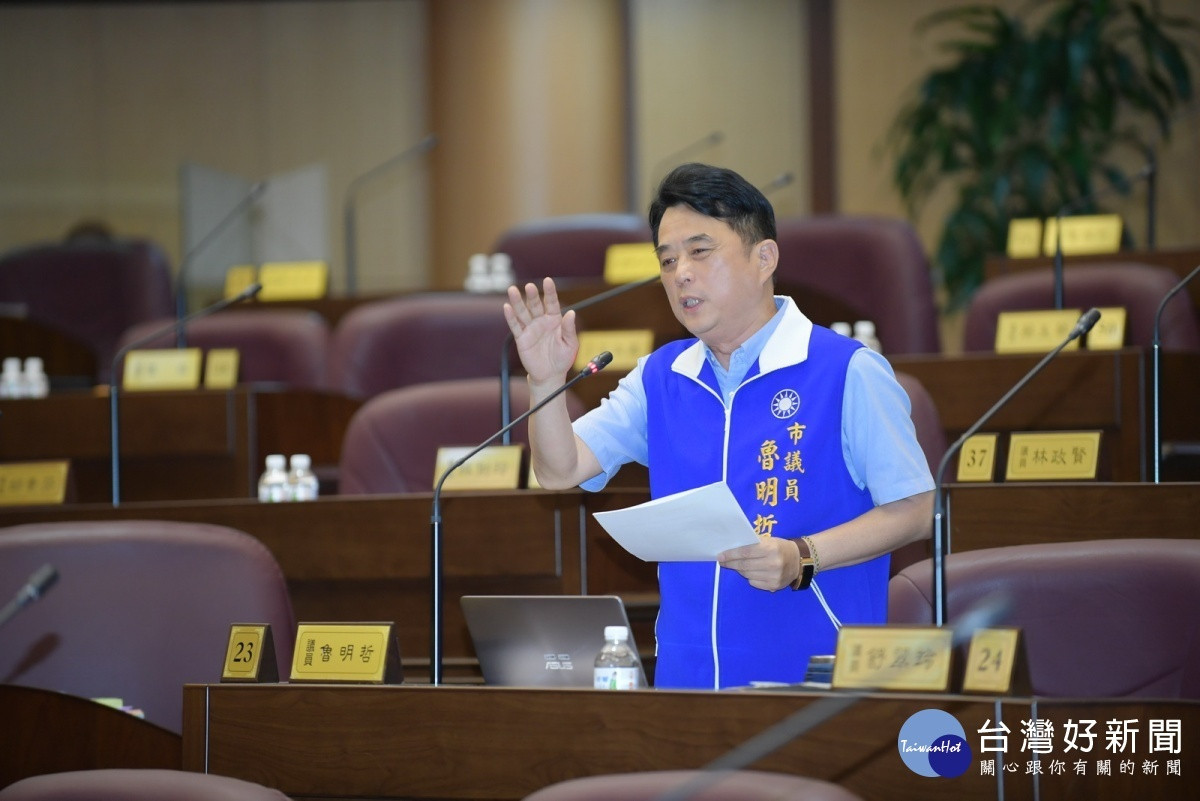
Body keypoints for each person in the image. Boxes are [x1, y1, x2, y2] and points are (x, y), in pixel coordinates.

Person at [503, 162, 934, 690]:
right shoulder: (661, 377)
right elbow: (559, 470)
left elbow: (918, 511)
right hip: (687, 685)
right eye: (667, 260)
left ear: (764, 258)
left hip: (816, 680)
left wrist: (803, 555)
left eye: (700, 251)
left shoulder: (847, 370)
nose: (680, 273)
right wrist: (545, 380)